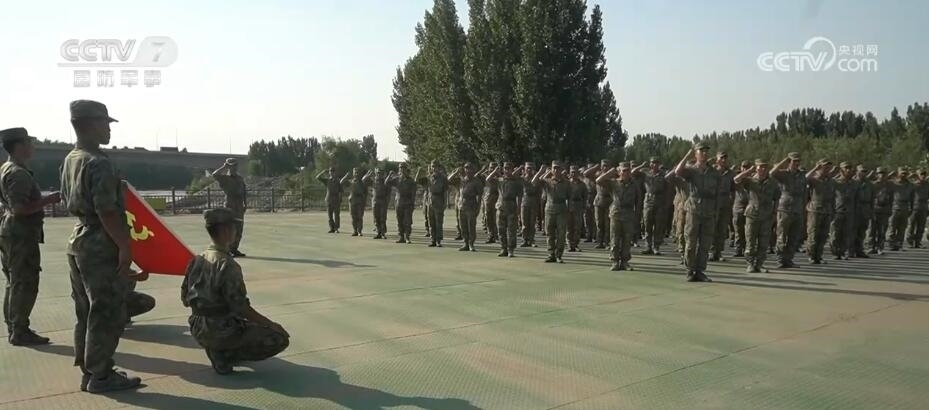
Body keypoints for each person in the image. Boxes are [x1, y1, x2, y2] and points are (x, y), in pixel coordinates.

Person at [60, 100, 143, 392]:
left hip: (78, 240)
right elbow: (107, 210)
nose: (109, 129)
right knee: (106, 310)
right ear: (89, 124)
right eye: (105, 123)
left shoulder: (71, 159)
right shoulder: (98, 162)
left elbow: (69, 197)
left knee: (85, 310)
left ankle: (90, 370)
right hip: (99, 242)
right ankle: (102, 375)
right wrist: (124, 246)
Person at [182, 208, 289, 375]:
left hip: (198, 326)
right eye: (233, 227)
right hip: (220, 329)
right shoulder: (227, 264)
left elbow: (184, 298)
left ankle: (219, 348)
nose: (236, 231)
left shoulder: (197, 259)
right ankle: (224, 355)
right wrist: (270, 324)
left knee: (241, 321)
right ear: (225, 230)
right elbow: (241, 307)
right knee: (278, 338)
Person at [0, 128, 61, 345]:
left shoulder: (6, 168)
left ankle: (14, 326)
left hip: (10, 232)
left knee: (14, 282)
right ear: (19, 146)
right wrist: (48, 200)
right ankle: (20, 330)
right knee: (25, 283)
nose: (32, 146)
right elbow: (20, 209)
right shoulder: (18, 173)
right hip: (21, 235)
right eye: (29, 142)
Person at [674, 143, 720, 282]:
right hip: (694, 210)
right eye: (701, 151)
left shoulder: (714, 173)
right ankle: (690, 270)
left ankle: (700, 271)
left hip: (709, 211)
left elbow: (717, 193)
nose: (704, 153)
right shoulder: (691, 171)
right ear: (696, 154)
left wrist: (716, 211)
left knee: (705, 244)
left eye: (706, 151)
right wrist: (687, 156)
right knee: (691, 242)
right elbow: (677, 171)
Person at [733, 159, 778, 273]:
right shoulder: (750, 181)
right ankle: (750, 264)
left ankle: (759, 264)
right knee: (750, 241)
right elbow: (736, 179)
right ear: (756, 168)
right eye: (760, 167)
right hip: (752, 215)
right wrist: (748, 171)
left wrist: (775, 212)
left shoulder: (772, 183)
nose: (763, 169)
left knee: (763, 243)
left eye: (765, 167)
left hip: (766, 216)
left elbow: (777, 197)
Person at [596, 162, 639, 271]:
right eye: (623, 170)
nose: (625, 173)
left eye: (627, 170)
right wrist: (609, 172)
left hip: (629, 213)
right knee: (614, 238)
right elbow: (598, 181)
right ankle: (615, 261)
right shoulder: (614, 183)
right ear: (619, 172)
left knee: (627, 239)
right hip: (616, 213)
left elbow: (638, 200)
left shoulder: (634, 185)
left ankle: (625, 262)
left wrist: (637, 215)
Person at [771, 153, 806, 268]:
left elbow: (804, 193)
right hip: (785, 209)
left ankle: (789, 259)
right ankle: (780, 259)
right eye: (794, 161)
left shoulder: (802, 175)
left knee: (794, 236)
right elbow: (772, 173)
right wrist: (783, 161)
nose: (796, 163)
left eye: (798, 161)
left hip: (798, 209)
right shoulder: (784, 174)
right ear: (789, 162)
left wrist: (804, 208)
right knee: (782, 235)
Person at [533, 162, 571, 263]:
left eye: (558, 168)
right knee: (550, 233)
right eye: (554, 168)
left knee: (561, 234)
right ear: (551, 170)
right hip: (549, 209)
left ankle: (559, 255)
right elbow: (534, 182)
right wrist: (541, 171)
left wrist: (569, 211)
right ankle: (551, 254)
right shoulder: (547, 181)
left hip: (561, 209)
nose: (556, 170)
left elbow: (570, 198)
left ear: (561, 169)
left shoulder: (567, 183)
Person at [632, 157, 669, 255]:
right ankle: (648, 246)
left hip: (660, 201)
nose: (654, 165)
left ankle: (656, 247)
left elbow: (667, 188)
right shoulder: (645, 172)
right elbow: (633, 172)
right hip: (648, 201)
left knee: (658, 225)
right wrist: (641, 165)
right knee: (647, 224)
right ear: (650, 164)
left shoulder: (663, 174)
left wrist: (666, 203)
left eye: (656, 163)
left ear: (659, 164)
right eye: (652, 163)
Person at [212, 158, 247, 257]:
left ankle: (234, 249)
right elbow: (214, 174)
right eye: (232, 166)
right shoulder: (225, 178)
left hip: (239, 205)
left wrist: (245, 203)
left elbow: (244, 191)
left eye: (235, 165)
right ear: (228, 167)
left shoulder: (240, 178)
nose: (234, 167)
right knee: (230, 228)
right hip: (230, 205)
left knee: (239, 228)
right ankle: (227, 250)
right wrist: (224, 167)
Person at [487, 162, 523, 257]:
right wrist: (495, 171)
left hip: (511, 208)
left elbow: (520, 197)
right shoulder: (500, 180)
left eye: (509, 169)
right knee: (501, 230)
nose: (507, 170)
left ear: (512, 170)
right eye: (505, 168)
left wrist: (519, 209)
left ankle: (511, 249)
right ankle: (503, 248)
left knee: (511, 231)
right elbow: (488, 179)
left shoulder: (516, 182)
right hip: (500, 207)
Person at [805, 160, 836, 264]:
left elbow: (833, 197)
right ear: (820, 167)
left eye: (829, 168)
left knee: (823, 235)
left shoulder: (831, 181)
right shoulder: (814, 179)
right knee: (813, 234)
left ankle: (819, 256)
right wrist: (815, 168)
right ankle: (811, 255)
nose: (827, 170)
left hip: (827, 210)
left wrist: (833, 210)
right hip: (815, 210)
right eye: (825, 167)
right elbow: (805, 178)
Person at [448, 163, 483, 251]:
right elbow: (449, 180)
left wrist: (478, 208)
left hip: (471, 205)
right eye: (466, 168)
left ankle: (471, 244)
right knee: (463, 226)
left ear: (473, 170)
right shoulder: (462, 180)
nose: (468, 170)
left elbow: (479, 196)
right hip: (461, 206)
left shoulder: (476, 181)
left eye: (470, 168)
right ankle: (465, 243)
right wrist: (456, 172)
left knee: (471, 226)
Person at [416, 161, 449, 247]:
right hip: (430, 201)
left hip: (439, 200)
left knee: (439, 222)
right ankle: (433, 239)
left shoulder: (443, 178)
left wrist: (445, 203)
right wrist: (419, 172)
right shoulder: (429, 177)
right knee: (431, 222)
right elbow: (417, 181)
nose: (434, 168)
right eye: (433, 166)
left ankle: (438, 240)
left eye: (436, 166)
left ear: (439, 167)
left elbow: (445, 191)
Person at [711, 152, 736, 261]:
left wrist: (732, 201)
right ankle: (711, 251)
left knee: (722, 228)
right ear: (717, 159)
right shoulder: (711, 171)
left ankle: (719, 252)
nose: (724, 160)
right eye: (721, 158)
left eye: (725, 158)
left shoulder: (730, 173)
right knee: (712, 227)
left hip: (725, 201)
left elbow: (733, 189)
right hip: (713, 200)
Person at [831, 162, 858, 260]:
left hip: (849, 211)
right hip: (837, 211)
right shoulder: (835, 182)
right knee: (835, 233)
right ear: (841, 170)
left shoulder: (854, 183)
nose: (848, 170)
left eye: (849, 168)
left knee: (846, 233)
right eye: (846, 168)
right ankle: (835, 252)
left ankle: (842, 252)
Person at [386, 164, 418, 244]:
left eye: (403, 168)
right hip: (399, 202)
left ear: (406, 169)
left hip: (408, 203)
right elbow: (386, 183)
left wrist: (412, 204)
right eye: (400, 168)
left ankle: (407, 237)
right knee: (399, 220)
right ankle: (401, 237)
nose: (402, 170)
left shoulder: (410, 181)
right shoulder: (397, 179)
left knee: (407, 221)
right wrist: (389, 175)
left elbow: (413, 193)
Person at [888, 167, 915, 251]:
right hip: (895, 206)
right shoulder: (893, 183)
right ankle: (891, 244)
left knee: (902, 228)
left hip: (905, 207)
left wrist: (911, 208)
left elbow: (912, 197)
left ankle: (899, 244)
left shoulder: (910, 185)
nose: (903, 175)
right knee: (892, 227)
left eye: (905, 173)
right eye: (902, 173)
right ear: (898, 173)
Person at [731, 160, 752, 257]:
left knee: (749, 231)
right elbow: (736, 179)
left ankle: (747, 249)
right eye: (743, 167)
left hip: (750, 208)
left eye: (747, 167)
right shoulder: (738, 177)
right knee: (738, 230)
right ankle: (738, 249)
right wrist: (746, 173)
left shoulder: (753, 179)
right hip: (738, 207)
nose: (745, 169)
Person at [316, 167, 346, 234]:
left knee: (336, 215)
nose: (331, 173)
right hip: (329, 199)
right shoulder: (327, 180)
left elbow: (341, 191)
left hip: (336, 199)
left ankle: (336, 228)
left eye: (333, 171)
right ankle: (331, 228)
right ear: (329, 172)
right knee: (330, 216)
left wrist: (340, 199)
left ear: (335, 173)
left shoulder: (338, 181)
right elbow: (317, 177)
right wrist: (323, 172)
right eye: (330, 171)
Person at [869, 167, 892, 255]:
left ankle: (880, 247)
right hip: (875, 209)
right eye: (880, 173)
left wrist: (890, 209)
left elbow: (892, 197)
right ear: (876, 174)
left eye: (883, 173)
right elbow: (870, 197)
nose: (881, 175)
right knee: (872, 230)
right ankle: (871, 247)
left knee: (882, 230)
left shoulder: (889, 185)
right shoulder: (873, 184)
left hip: (884, 210)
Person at [852, 165, 874, 258]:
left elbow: (872, 198)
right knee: (853, 230)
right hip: (855, 208)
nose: (863, 173)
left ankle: (859, 250)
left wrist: (871, 211)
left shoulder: (869, 184)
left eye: (865, 171)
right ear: (857, 171)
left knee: (862, 230)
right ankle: (851, 250)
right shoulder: (852, 182)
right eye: (861, 171)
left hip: (866, 208)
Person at [566, 166, 588, 253]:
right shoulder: (567, 183)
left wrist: (584, 207)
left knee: (577, 227)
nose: (573, 174)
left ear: (578, 173)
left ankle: (575, 244)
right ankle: (569, 244)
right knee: (569, 227)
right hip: (568, 205)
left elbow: (585, 196)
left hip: (578, 206)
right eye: (572, 172)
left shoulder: (582, 185)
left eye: (575, 172)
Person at [363, 168, 390, 239]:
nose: (379, 174)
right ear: (376, 173)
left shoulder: (385, 181)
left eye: (380, 173)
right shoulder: (373, 181)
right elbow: (363, 180)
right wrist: (368, 175)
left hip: (383, 201)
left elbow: (388, 193)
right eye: (378, 173)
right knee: (376, 218)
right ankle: (378, 232)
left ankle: (383, 233)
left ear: (383, 174)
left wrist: (387, 202)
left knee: (383, 218)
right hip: (375, 201)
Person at [520, 162, 541, 247]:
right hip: (524, 202)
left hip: (533, 202)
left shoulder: (537, 179)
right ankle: (525, 240)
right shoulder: (522, 179)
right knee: (524, 223)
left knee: (532, 223)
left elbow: (538, 191)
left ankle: (531, 240)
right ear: (525, 169)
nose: (529, 170)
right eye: (527, 168)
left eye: (531, 168)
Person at [347, 168, 371, 236]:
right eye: (355, 172)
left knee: (360, 217)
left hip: (360, 201)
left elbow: (365, 192)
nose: (356, 174)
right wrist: (346, 176)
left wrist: (364, 201)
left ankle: (359, 231)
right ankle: (355, 231)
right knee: (353, 217)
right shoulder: (351, 181)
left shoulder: (363, 182)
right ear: (353, 174)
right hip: (352, 201)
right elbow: (341, 182)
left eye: (357, 172)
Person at [908, 169, 928, 248]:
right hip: (914, 207)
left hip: (924, 207)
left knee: (921, 226)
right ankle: (910, 242)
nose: (923, 176)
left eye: (924, 174)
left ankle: (918, 242)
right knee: (912, 226)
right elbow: (909, 196)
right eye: (921, 174)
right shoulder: (913, 185)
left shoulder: (927, 185)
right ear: (918, 175)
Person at [482, 162, 500, 243]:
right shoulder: (487, 175)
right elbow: (487, 179)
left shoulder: (500, 177)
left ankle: (497, 235)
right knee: (488, 219)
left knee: (496, 219)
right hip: (488, 199)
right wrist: (493, 171)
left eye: (494, 167)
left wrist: (497, 172)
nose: (492, 169)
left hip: (497, 199)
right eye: (491, 167)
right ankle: (491, 235)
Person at [583, 162, 597, 243]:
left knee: (595, 220)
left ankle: (595, 236)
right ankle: (588, 236)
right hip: (586, 200)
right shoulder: (584, 179)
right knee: (587, 219)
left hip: (595, 200)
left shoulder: (596, 178)